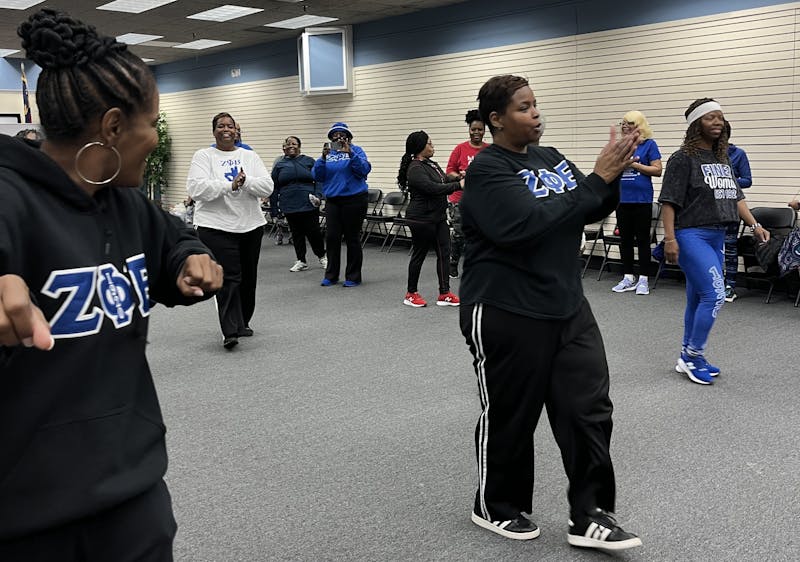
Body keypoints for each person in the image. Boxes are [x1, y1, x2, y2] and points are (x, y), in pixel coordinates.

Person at [0, 8, 223, 559]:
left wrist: (190, 257)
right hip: (25, 516)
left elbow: (172, 239)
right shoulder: (11, 196)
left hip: (132, 497)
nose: (154, 140)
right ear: (114, 127)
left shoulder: (126, 203)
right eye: (152, 124)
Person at [459, 74, 642, 552]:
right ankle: (495, 504)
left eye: (536, 104)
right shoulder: (487, 168)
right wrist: (595, 180)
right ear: (496, 119)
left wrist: (612, 174)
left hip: (567, 305)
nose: (536, 113)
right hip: (505, 307)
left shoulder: (550, 156)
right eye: (523, 107)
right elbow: (523, 225)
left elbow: (588, 204)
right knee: (512, 414)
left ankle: (591, 515)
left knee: (588, 410)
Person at [659, 98, 768, 385]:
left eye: (720, 117)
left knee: (698, 297)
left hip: (717, 235)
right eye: (710, 117)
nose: (718, 122)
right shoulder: (682, 158)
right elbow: (668, 202)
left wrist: (755, 225)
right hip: (691, 234)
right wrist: (669, 239)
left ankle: (687, 354)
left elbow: (736, 197)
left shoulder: (722, 158)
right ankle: (694, 356)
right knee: (715, 295)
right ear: (696, 124)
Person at [187, 112, 273, 350]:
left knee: (247, 278)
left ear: (237, 131)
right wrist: (229, 185)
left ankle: (242, 322)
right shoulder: (204, 156)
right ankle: (230, 330)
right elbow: (197, 189)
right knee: (228, 278)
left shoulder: (249, 156)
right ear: (213, 131)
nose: (226, 129)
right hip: (215, 226)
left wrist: (246, 182)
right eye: (221, 126)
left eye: (230, 126)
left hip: (250, 225)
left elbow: (267, 186)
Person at [397, 131, 463, 307]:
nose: (433, 146)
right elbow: (431, 188)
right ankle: (411, 294)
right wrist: (458, 185)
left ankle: (444, 293)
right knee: (420, 254)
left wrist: (458, 176)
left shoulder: (431, 164)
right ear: (420, 147)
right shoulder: (415, 168)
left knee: (444, 253)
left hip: (438, 217)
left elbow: (443, 180)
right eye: (429, 143)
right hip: (421, 219)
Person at [312, 122, 371, 287]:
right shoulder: (328, 154)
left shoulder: (356, 151)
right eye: (335, 135)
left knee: (352, 238)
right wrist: (322, 158)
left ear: (348, 137)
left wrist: (350, 153)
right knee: (332, 238)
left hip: (354, 199)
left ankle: (353, 276)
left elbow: (364, 170)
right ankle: (331, 275)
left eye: (342, 135)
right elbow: (317, 176)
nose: (338, 137)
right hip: (333, 200)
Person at [611, 111, 662, 296]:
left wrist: (634, 165)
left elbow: (657, 170)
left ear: (639, 125)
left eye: (629, 123)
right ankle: (627, 277)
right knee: (624, 240)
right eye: (623, 123)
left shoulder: (649, 145)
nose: (625, 126)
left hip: (642, 200)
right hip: (622, 200)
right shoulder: (619, 146)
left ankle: (643, 279)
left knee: (642, 240)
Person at [271, 136, 327, 272]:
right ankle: (301, 260)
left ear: (299, 146)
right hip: (289, 203)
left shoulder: (309, 161)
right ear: (284, 147)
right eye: (288, 144)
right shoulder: (279, 165)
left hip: (309, 201)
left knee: (313, 232)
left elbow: (319, 180)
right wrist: (274, 209)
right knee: (296, 233)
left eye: (294, 144)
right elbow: (274, 188)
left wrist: (318, 196)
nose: (291, 146)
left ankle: (322, 256)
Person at [445, 109, 489, 278]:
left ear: (484, 130)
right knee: (459, 234)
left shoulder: (489, 150)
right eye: (473, 129)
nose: (476, 132)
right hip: (459, 199)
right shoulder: (460, 149)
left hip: (481, 200)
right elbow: (449, 172)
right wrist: (460, 177)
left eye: (480, 129)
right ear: (469, 130)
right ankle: (453, 263)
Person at [721, 121, 753, 302]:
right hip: (709, 208)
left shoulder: (738, 154)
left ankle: (730, 285)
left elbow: (747, 180)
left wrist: (727, 180)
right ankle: (714, 283)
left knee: (730, 246)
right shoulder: (706, 155)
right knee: (712, 246)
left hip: (731, 207)